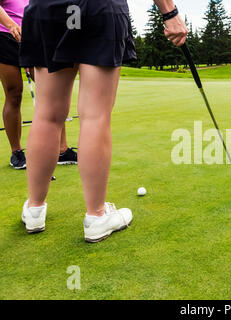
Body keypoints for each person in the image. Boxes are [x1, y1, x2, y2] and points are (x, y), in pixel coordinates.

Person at [19, 0, 188, 242]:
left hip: (50, 8)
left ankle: (34, 210)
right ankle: (97, 216)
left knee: (47, 114)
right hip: (98, 7)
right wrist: (169, 12)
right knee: (95, 116)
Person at [0, 0, 77, 170]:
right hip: (5, 35)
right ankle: (17, 152)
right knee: (14, 93)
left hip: (36, 35)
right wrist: (11, 25)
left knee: (52, 91)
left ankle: (62, 150)